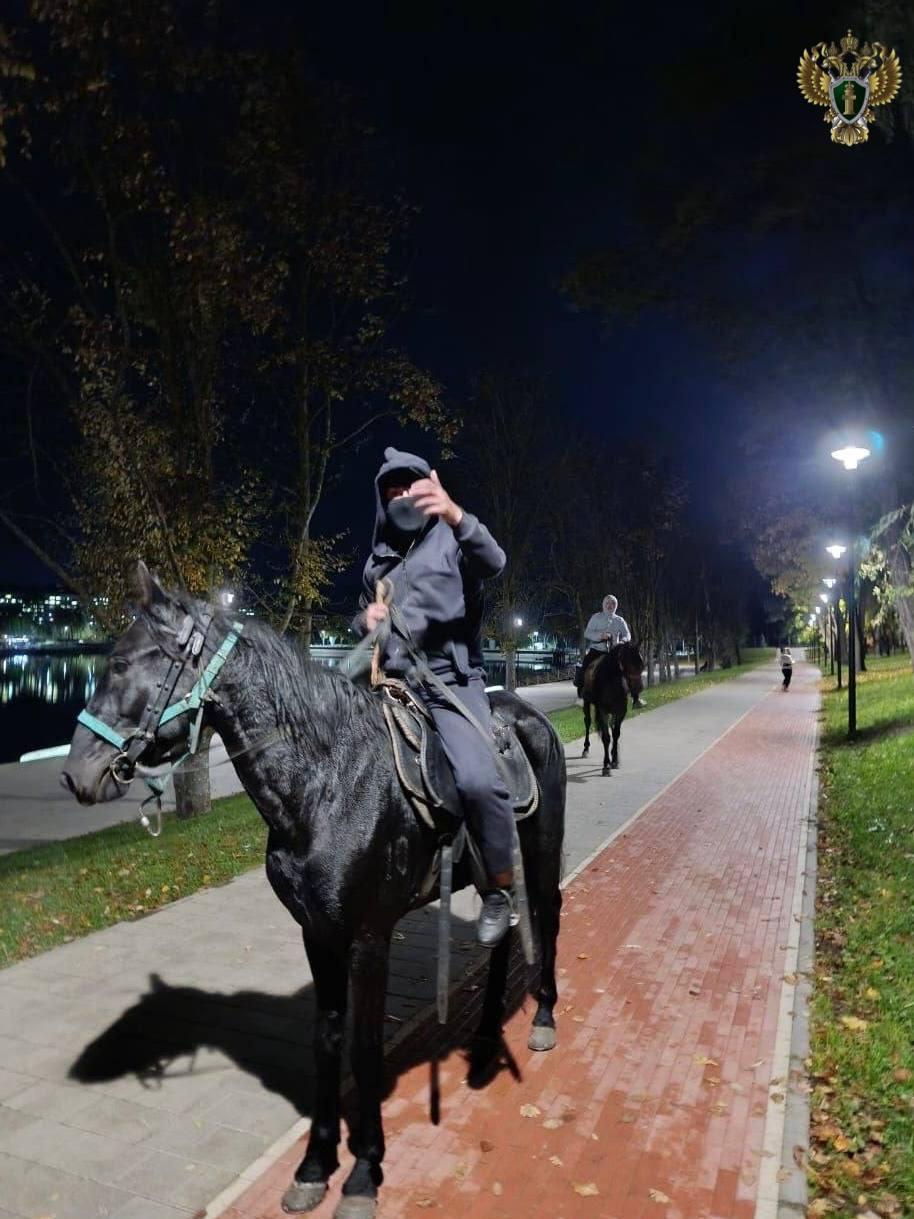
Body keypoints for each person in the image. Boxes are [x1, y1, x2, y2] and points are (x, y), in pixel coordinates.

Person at [354, 447, 517, 948]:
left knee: (476, 778)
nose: (400, 495)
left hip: (451, 682)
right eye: (391, 490)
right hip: (393, 686)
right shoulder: (377, 563)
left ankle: (499, 887)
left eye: (409, 486)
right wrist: (365, 622)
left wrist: (455, 513)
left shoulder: (451, 537)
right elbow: (361, 616)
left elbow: (495, 561)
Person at [575, 595, 646, 707]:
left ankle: (636, 698)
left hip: (615, 651)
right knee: (585, 664)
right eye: (607, 603)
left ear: (616, 606)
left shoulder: (619, 620)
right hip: (597, 649)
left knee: (631, 665)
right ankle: (581, 696)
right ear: (604, 604)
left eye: (613, 603)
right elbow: (587, 633)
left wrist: (623, 640)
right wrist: (600, 636)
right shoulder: (596, 618)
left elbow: (627, 634)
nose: (610, 606)